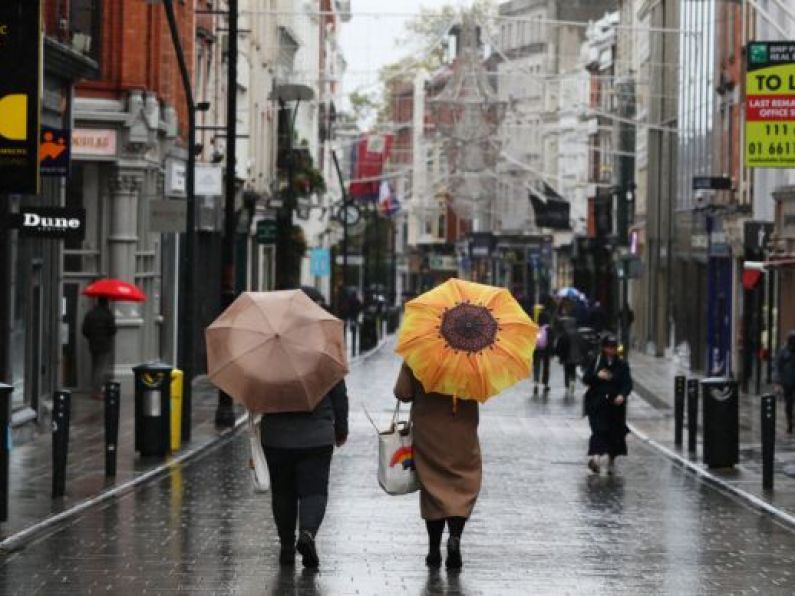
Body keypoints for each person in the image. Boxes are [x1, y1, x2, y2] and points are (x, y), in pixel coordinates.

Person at [394, 362, 480, 570]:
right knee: (463, 483)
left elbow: (402, 392)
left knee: (433, 486)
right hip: (463, 431)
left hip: (428, 431)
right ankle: (455, 538)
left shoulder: (419, 353)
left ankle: (434, 550)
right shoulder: (474, 356)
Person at [261, 380, 349, 568]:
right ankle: (307, 534)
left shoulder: (269, 356)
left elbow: (255, 394)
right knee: (314, 490)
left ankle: (286, 547)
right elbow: (339, 394)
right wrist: (341, 429)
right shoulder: (324, 355)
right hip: (317, 436)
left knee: (283, 492)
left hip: (276, 436)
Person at [582, 335, 633, 474]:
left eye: (614, 347)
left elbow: (627, 383)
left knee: (615, 433)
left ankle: (610, 458)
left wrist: (622, 395)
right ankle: (596, 458)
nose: (612, 350)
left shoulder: (622, 364)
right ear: (604, 348)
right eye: (609, 347)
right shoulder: (597, 362)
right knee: (598, 431)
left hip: (615, 406)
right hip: (597, 404)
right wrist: (597, 376)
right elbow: (586, 379)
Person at [81, 297, 116, 399]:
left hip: (93, 344)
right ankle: (97, 391)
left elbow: (84, 330)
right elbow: (112, 330)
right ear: (106, 303)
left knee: (95, 367)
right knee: (100, 369)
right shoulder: (108, 314)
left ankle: (94, 389)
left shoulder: (90, 313)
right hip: (104, 345)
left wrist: (92, 337)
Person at [773, 330, 795, 433]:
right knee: (789, 404)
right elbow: (777, 366)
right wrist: (777, 382)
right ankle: (790, 422)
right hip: (787, 382)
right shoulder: (783, 351)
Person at [532, 303, 551, 396]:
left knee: (537, 367)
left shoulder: (536, 327)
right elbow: (551, 341)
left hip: (537, 350)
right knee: (545, 367)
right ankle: (545, 384)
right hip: (546, 351)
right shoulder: (548, 328)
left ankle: (536, 384)